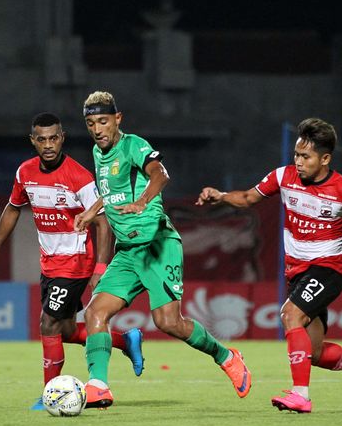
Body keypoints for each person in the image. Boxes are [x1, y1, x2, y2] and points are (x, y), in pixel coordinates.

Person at [74, 91, 252, 408]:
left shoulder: (133, 145)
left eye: (103, 121)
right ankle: (98, 386)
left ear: (118, 119)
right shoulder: (98, 153)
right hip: (128, 252)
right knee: (95, 313)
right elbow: (111, 192)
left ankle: (225, 355)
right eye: (91, 124)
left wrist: (143, 201)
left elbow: (161, 174)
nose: (97, 129)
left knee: (168, 322)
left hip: (158, 245)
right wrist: (91, 212)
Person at [197, 118, 342, 413]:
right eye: (296, 155)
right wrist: (220, 196)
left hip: (327, 270)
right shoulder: (283, 176)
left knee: (290, 315)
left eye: (305, 157)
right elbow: (247, 198)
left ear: (325, 159)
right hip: (297, 273)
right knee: (316, 352)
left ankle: (301, 395)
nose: (298, 162)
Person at [0, 112, 144, 410]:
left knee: (48, 323)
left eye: (53, 138)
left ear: (62, 138)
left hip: (75, 263)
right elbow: (13, 208)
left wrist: (99, 267)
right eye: (41, 139)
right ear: (33, 141)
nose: (48, 145)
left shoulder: (80, 177)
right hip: (50, 264)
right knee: (66, 330)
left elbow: (103, 221)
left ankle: (50, 395)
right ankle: (125, 340)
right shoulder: (24, 173)